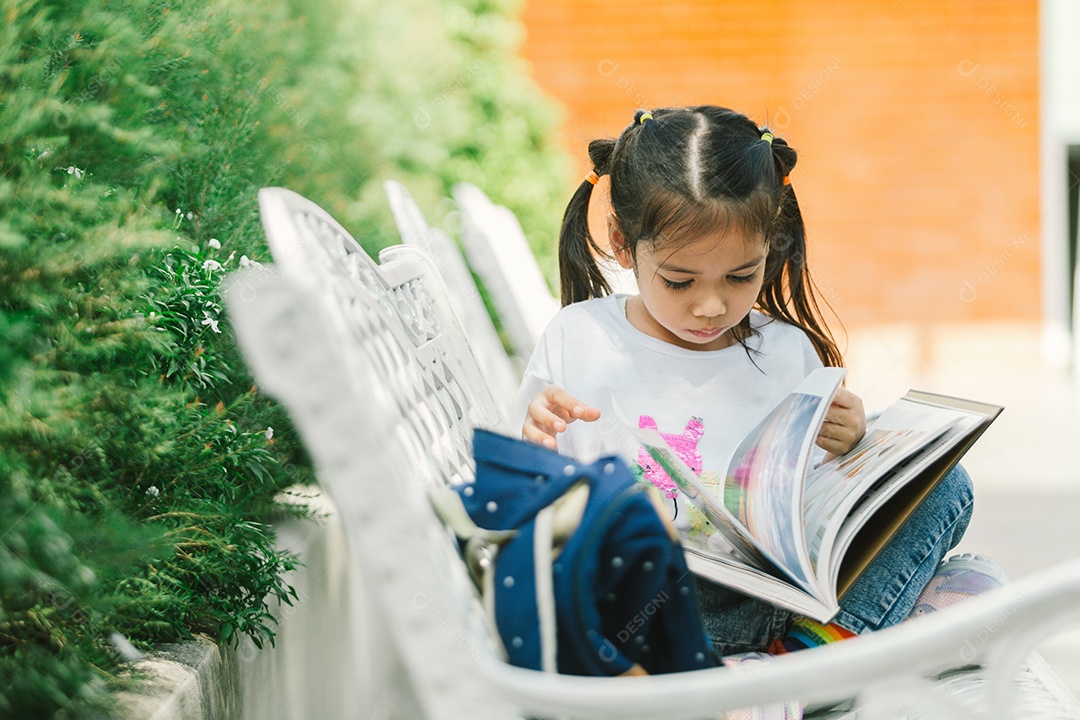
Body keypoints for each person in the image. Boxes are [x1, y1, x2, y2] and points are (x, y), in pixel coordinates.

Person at [515, 105, 975, 657]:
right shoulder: (580, 336)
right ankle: (820, 663)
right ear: (620, 241)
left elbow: (816, 515)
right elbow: (522, 494)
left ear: (770, 245)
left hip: (766, 605)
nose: (712, 306)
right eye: (680, 281)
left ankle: (802, 658)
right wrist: (535, 433)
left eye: (741, 276)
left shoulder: (785, 351)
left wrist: (853, 447)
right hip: (643, 607)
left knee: (945, 488)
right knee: (966, 589)